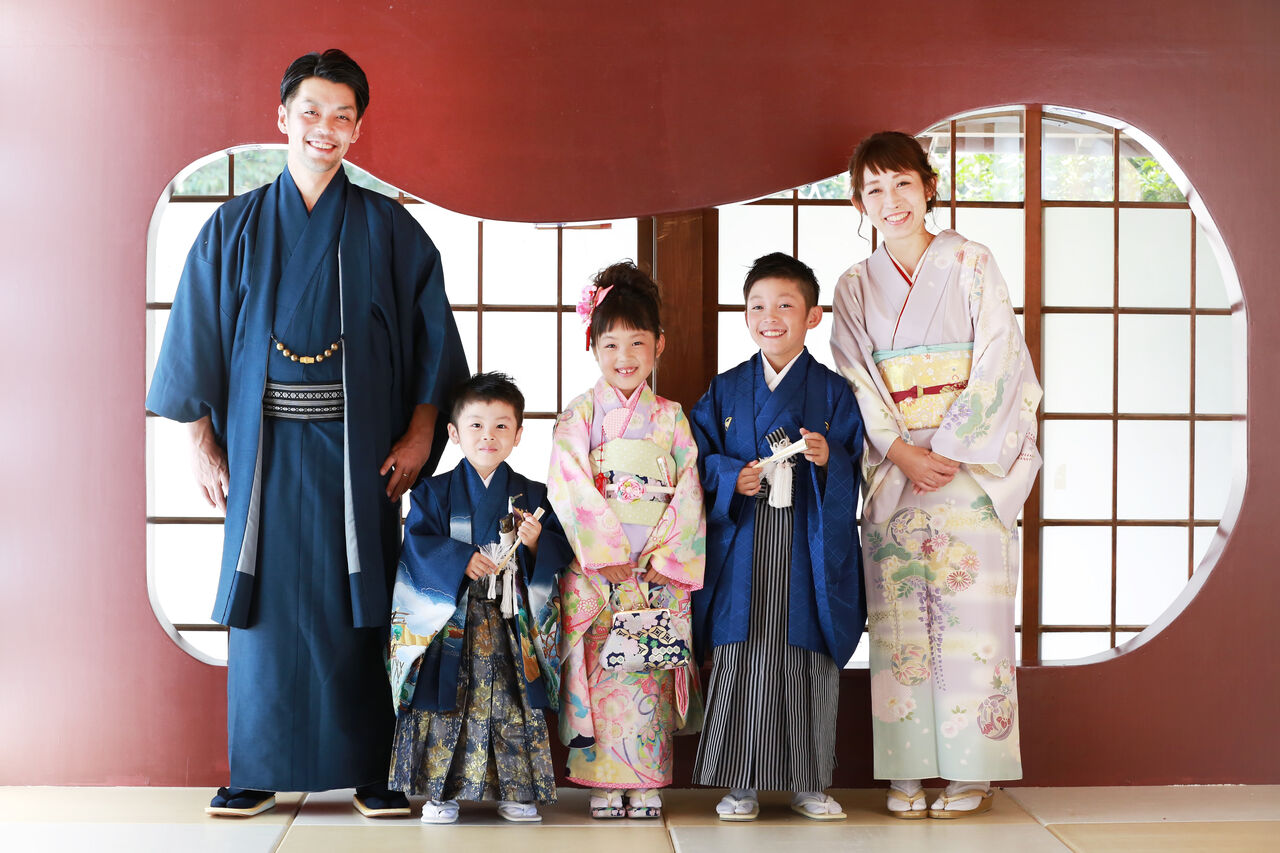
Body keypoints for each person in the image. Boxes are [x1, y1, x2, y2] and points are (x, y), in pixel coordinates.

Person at [146, 49, 468, 818]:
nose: (326, 128)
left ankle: (368, 766)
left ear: (359, 129)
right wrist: (201, 443)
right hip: (262, 448)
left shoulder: (390, 229)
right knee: (262, 603)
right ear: (283, 117)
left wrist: (423, 433)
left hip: (360, 453)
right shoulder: (234, 227)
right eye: (312, 111)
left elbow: (434, 341)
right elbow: (193, 338)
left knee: (358, 599)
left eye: (342, 115)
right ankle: (257, 766)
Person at [830, 131, 1042, 819]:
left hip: (966, 465)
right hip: (899, 471)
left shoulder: (972, 263)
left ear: (927, 185)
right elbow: (857, 379)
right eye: (873, 189)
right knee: (900, 625)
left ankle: (972, 768)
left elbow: (1001, 359)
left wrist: (947, 446)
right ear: (858, 201)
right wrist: (898, 450)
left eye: (901, 184)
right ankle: (909, 767)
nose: (890, 201)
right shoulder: (855, 285)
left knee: (971, 621)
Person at [689, 252, 865, 822]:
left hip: (805, 545)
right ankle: (739, 783)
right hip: (742, 541)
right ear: (745, 315)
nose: (772, 316)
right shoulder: (726, 389)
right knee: (739, 653)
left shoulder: (834, 391)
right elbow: (695, 457)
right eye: (758, 306)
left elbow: (854, 462)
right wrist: (725, 476)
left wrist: (828, 458)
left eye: (787, 305)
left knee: (805, 656)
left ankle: (809, 782)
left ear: (813, 316)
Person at [547, 262, 706, 820]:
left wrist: (666, 557)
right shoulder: (580, 414)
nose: (624, 356)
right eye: (610, 343)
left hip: (656, 571)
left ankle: (646, 781)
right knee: (602, 675)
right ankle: (602, 782)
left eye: (637, 342)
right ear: (592, 346)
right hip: (602, 570)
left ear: (658, 345)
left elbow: (688, 490)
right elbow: (567, 484)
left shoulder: (672, 418)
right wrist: (608, 555)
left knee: (648, 673)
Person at [386, 372, 574, 824]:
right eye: (475, 425)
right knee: (445, 703)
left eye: (501, 426)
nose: (488, 436)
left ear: (518, 434)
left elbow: (557, 549)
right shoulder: (432, 492)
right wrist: (459, 559)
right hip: (453, 620)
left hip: (510, 621)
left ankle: (518, 791)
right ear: (453, 433)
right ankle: (440, 793)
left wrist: (532, 545)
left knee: (511, 702)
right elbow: (418, 543)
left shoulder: (533, 494)